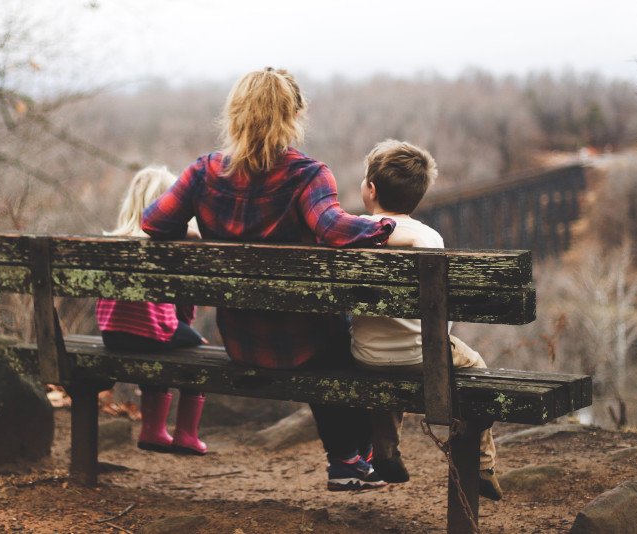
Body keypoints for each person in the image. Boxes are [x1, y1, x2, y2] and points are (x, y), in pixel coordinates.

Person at [142, 67, 399, 491]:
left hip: (242, 341)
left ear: (235, 114)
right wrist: (385, 227)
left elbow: (153, 222)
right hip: (305, 344)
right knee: (342, 340)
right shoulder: (307, 174)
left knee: (329, 337)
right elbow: (333, 229)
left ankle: (352, 460)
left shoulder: (203, 172)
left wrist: (191, 232)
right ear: (294, 115)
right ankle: (351, 458)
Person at [351, 139, 503, 500]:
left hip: (365, 356)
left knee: (386, 363)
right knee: (476, 368)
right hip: (424, 356)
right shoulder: (429, 238)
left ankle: (385, 451)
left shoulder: (352, 232)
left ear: (370, 190)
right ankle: (482, 463)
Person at [96, 165, 208, 455]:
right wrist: (187, 327)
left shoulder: (113, 241)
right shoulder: (168, 245)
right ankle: (186, 435)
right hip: (152, 332)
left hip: (112, 334)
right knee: (197, 350)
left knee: (160, 345)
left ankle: (153, 430)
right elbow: (183, 303)